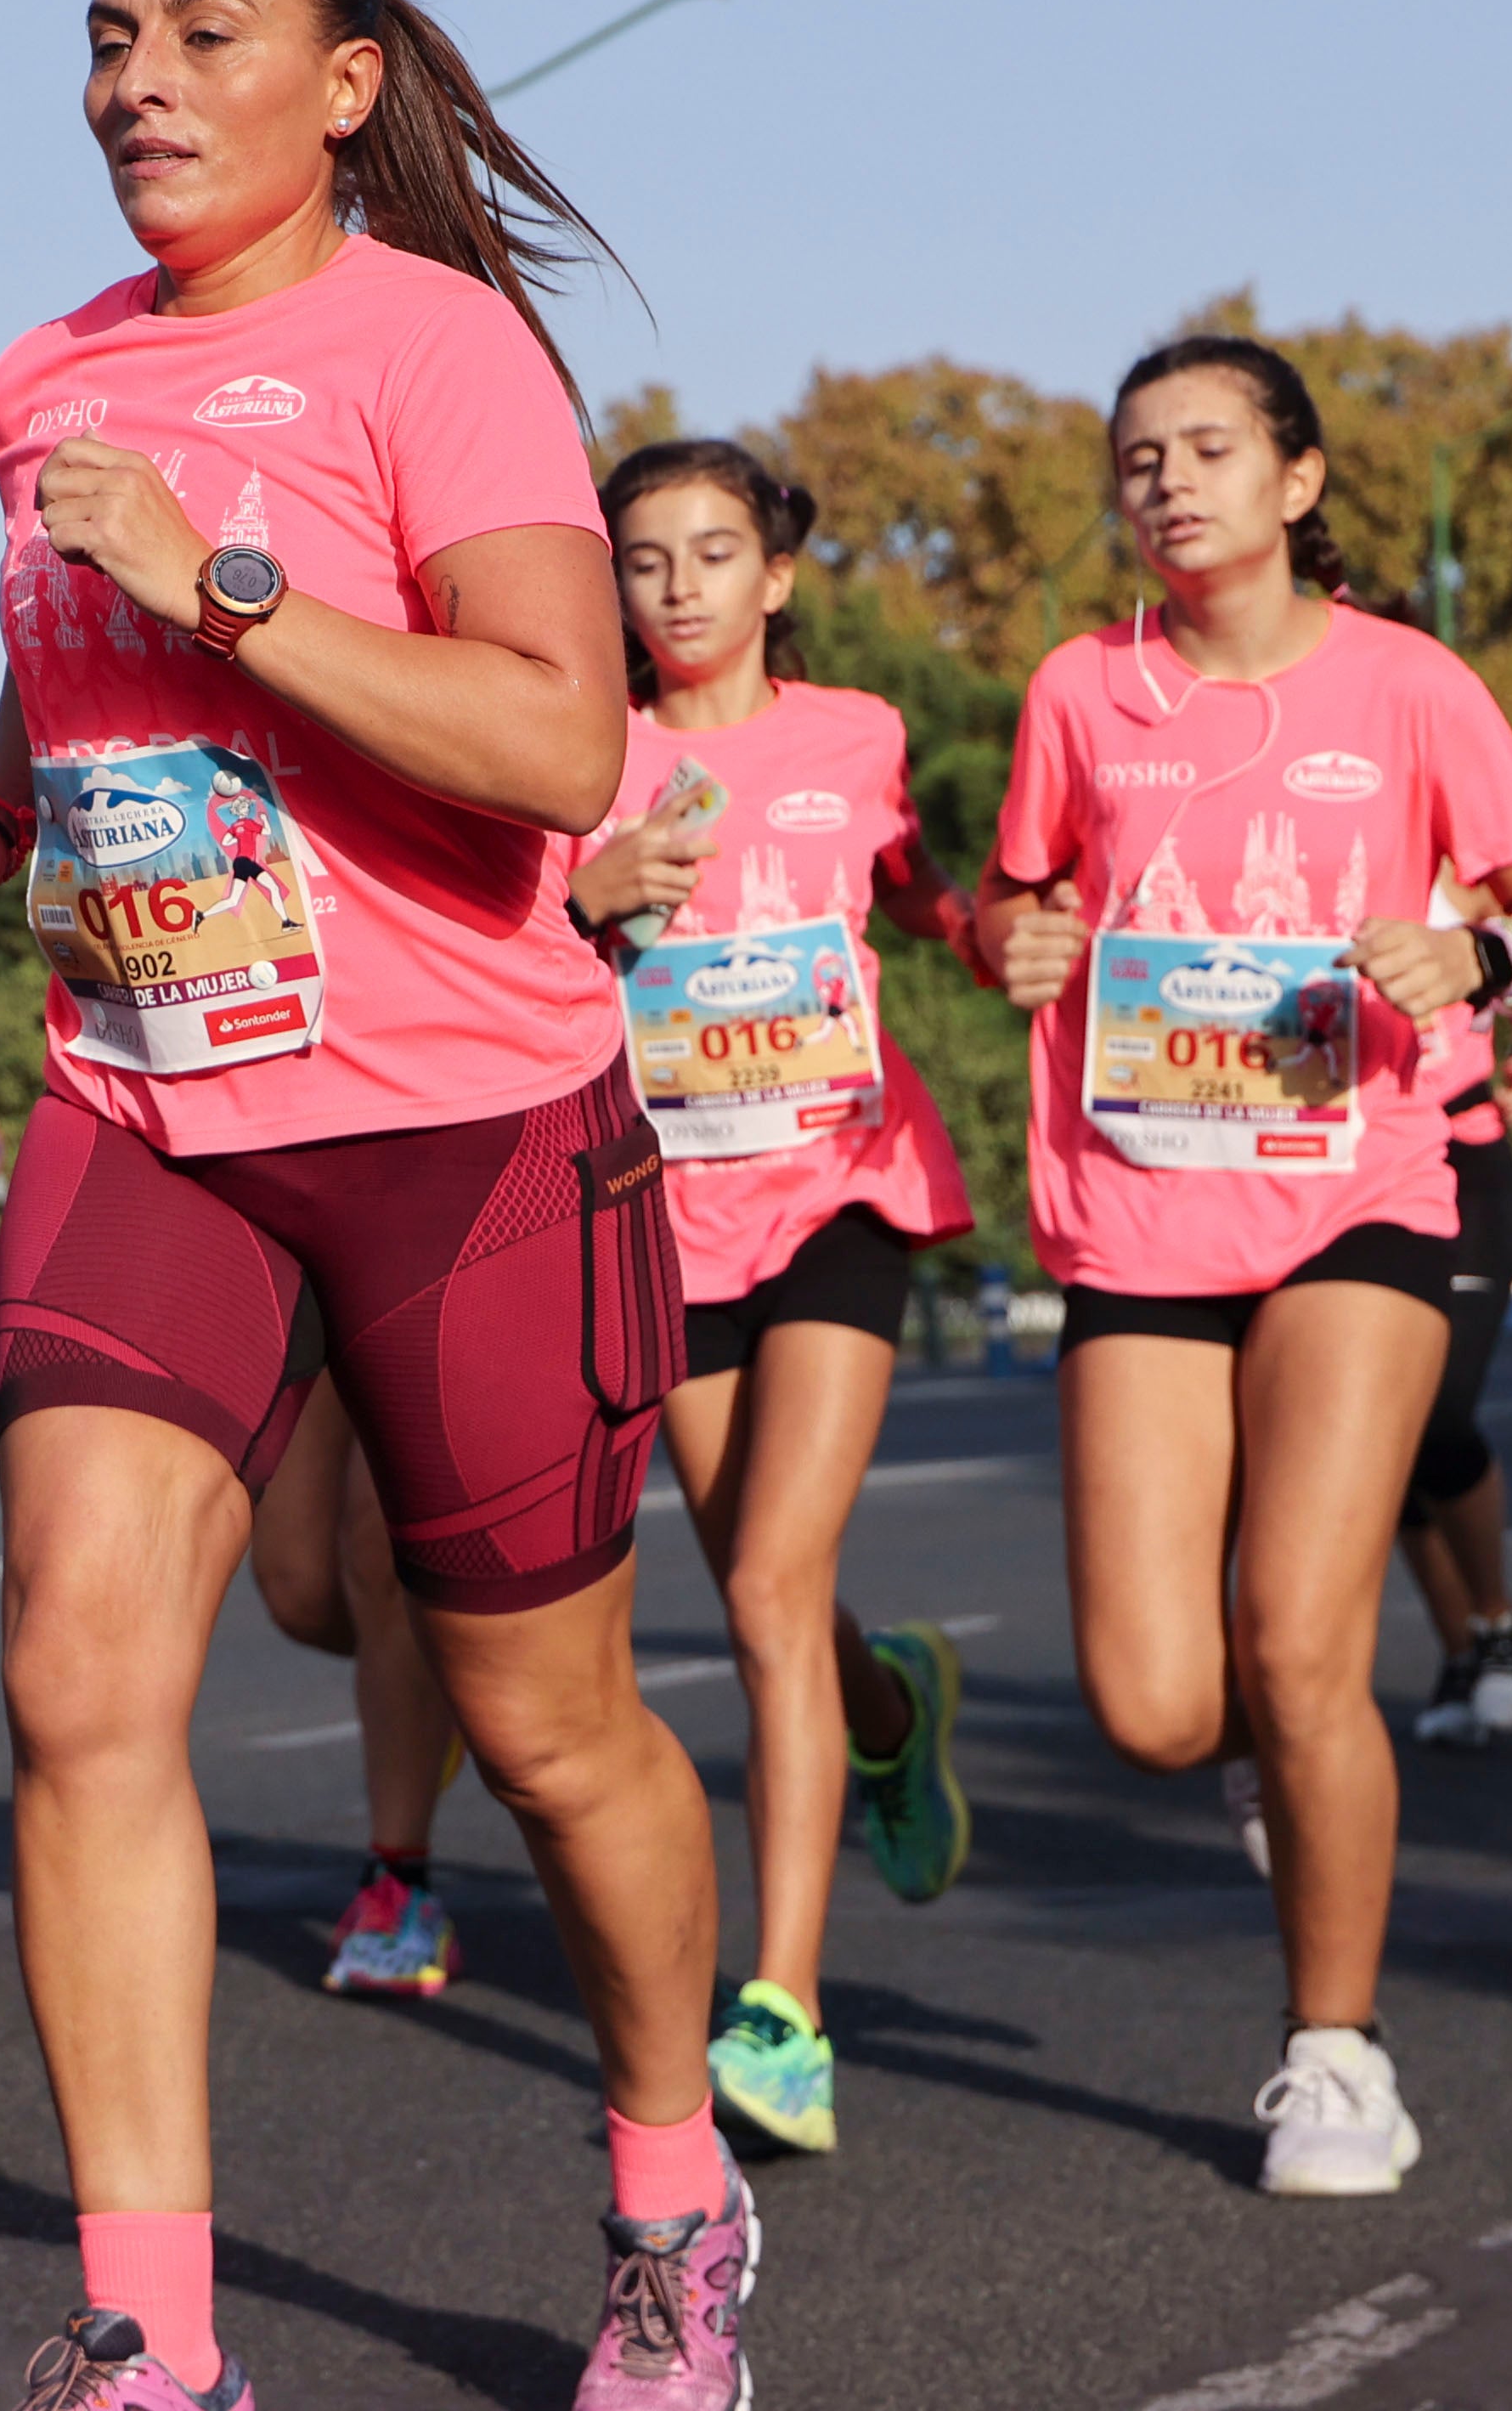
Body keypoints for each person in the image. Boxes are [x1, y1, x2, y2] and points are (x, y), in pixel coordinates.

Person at [0, 0, 744, 2411]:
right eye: (109, 36)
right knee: (77, 1677)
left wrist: (231, 578)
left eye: (202, 30)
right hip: (151, 1101)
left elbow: (560, 746)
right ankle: (154, 2333)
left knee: (555, 1725)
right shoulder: (45, 373)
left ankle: (675, 2210)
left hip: (464, 1112)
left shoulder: (436, 352)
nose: (135, 78)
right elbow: (84, 718)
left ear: (343, 81)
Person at [979, 334, 1512, 2200]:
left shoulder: (1408, 686)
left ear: (1298, 482)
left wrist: (1479, 965)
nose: (1173, 481)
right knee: (1158, 1704)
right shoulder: (1083, 691)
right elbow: (1019, 894)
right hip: (1140, 1208)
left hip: (1362, 1194)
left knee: (1305, 1639)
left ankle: (1338, 2054)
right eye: (1141, 456)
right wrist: (1023, 937)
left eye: (1213, 449)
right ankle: (1272, 1752)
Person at [561, 437, 982, 2159]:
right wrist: (589, 901)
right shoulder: (585, 760)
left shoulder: (859, 741)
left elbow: (947, 900)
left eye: (715, 553)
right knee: (772, 1591)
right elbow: (519, 954)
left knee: (763, 1591)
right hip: (668, 1213)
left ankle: (785, 2007)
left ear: (778, 576)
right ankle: (893, 1711)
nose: (680, 589)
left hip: (840, 1191)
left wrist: (1009, 930)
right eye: (648, 560)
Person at [1396, 899, 1512, 1754]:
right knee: (1382, 1439)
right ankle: (1461, 1651)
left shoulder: (1471, 858)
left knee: (1441, 1411)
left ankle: (1499, 1624)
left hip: (1463, 1157)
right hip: (1355, 1167)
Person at [244, 1379, 471, 1998]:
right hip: (297, 1281)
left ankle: (398, 1881)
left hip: (422, 1279)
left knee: (381, 1547)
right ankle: (436, 1689)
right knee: (298, 1588)